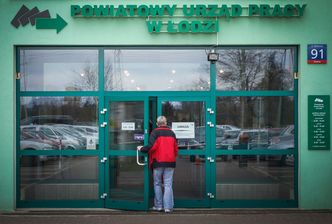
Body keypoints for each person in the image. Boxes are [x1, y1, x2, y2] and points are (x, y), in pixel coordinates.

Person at [137, 116, 178, 213]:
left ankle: (159, 206)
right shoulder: (172, 133)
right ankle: (168, 208)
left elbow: (151, 147)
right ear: (166, 122)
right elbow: (176, 149)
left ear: (157, 123)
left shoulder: (155, 132)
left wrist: (142, 149)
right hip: (170, 163)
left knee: (157, 184)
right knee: (168, 185)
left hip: (158, 162)